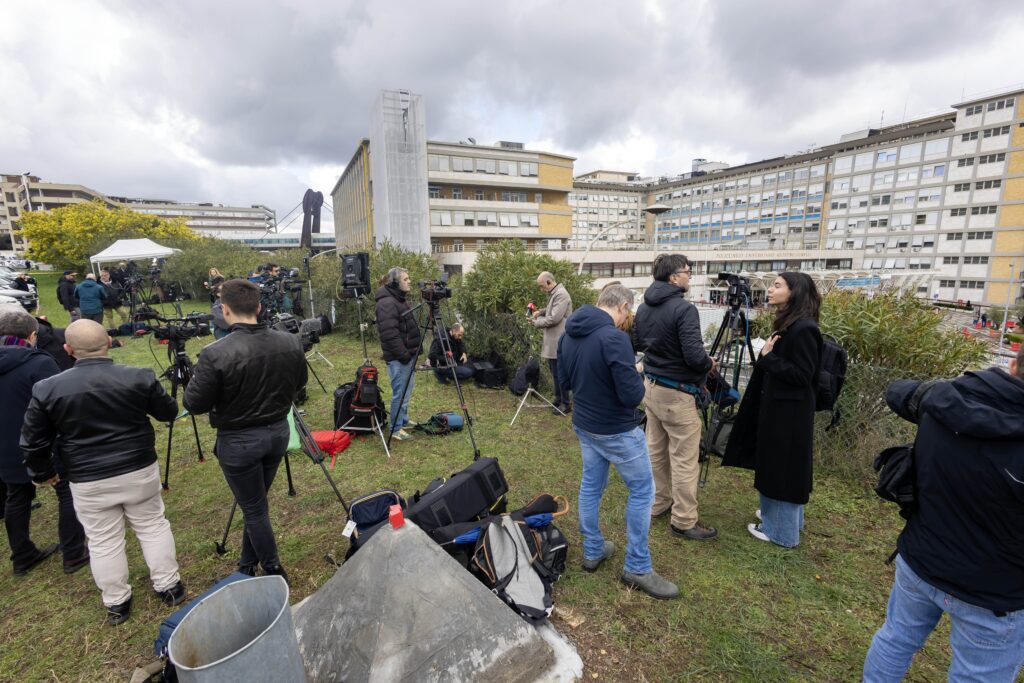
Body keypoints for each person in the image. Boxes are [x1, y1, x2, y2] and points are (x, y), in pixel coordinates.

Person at [862, 346, 1024, 682]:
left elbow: (898, 392)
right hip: (994, 588)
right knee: (977, 675)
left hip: (923, 557)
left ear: (1012, 363)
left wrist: (946, 390)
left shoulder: (948, 399)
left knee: (896, 639)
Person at [20, 320, 184, 625]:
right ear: (108, 341)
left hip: (91, 476)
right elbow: (168, 412)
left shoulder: (50, 388)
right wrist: (45, 472)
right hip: (131, 468)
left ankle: (118, 600)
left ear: (69, 350)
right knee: (150, 526)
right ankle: (167, 585)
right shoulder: (135, 377)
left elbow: (33, 440)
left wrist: (42, 472)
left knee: (104, 539)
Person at [558, 284, 679, 600]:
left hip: (585, 424)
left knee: (590, 486)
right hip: (616, 430)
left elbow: (566, 383)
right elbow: (633, 395)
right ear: (624, 306)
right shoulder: (615, 338)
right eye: (629, 312)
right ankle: (637, 567)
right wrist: (635, 371)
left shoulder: (568, 335)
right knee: (642, 489)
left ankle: (594, 550)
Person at [184, 279, 307, 581]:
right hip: (275, 434)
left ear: (224, 310)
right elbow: (299, 383)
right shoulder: (288, 341)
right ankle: (246, 563)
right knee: (256, 504)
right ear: (259, 307)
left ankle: (273, 568)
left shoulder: (216, 353)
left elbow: (193, 403)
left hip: (243, 441)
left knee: (254, 508)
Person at [722, 272, 823, 548]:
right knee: (781, 468)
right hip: (783, 411)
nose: (770, 290)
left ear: (795, 292)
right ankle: (779, 518)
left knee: (782, 469)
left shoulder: (803, 329)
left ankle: (780, 531)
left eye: (777, 286)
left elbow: (803, 375)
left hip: (787, 415)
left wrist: (768, 359)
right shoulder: (795, 324)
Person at [633, 254, 717, 540]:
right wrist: (709, 364)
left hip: (652, 387)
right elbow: (695, 356)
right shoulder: (684, 309)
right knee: (683, 458)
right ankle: (683, 520)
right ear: (673, 278)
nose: (689, 277)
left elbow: (637, 342)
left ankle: (658, 503)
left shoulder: (643, 308)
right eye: (687, 272)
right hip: (678, 394)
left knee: (655, 451)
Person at [1, 309, 88, 577]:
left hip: (6, 445)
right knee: (67, 492)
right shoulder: (39, 363)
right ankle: (73, 553)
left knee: (17, 496)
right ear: (32, 335)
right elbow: (58, 402)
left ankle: (22, 555)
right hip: (44, 442)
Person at [375, 267, 421, 441]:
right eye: (405, 279)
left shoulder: (398, 299)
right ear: (395, 283)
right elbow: (389, 334)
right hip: (399, 357)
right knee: (400, 393)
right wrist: (403, 355)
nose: (409, 281)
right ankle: (396, 428)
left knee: (406, 391)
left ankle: (403, 419)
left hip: (407, 355)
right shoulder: (387, 303)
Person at [532, 271, 573, 414]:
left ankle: (565, 404)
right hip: (553, 341)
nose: (541, 290)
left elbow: (554, 318)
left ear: (549, 282)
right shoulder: (555, 293)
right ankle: (558, 399)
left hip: (558, 341)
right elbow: (551, 310)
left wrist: (536, 322)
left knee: (560, 373)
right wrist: (541, 312)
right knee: (555, 372)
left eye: (542, 286)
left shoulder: (561, 294)